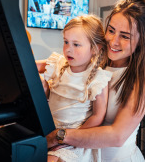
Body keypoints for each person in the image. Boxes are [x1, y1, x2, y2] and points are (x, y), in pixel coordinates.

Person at [45, 0, 145, 162]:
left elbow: (117, 135)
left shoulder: (144, 76)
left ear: (141, 41)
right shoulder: (94, 62)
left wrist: (60, 136)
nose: (113, 41)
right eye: (111, 31)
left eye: (125, 36)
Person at [37, 15, 113, 162]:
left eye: (76, 44)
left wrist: (69, 137)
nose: (68, 49)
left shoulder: (99, 78)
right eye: (66, 42)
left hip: (74, 139)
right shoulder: (58, 64)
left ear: (95, 49)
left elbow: (97, 116)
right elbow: (28, 65)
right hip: (48, 131)